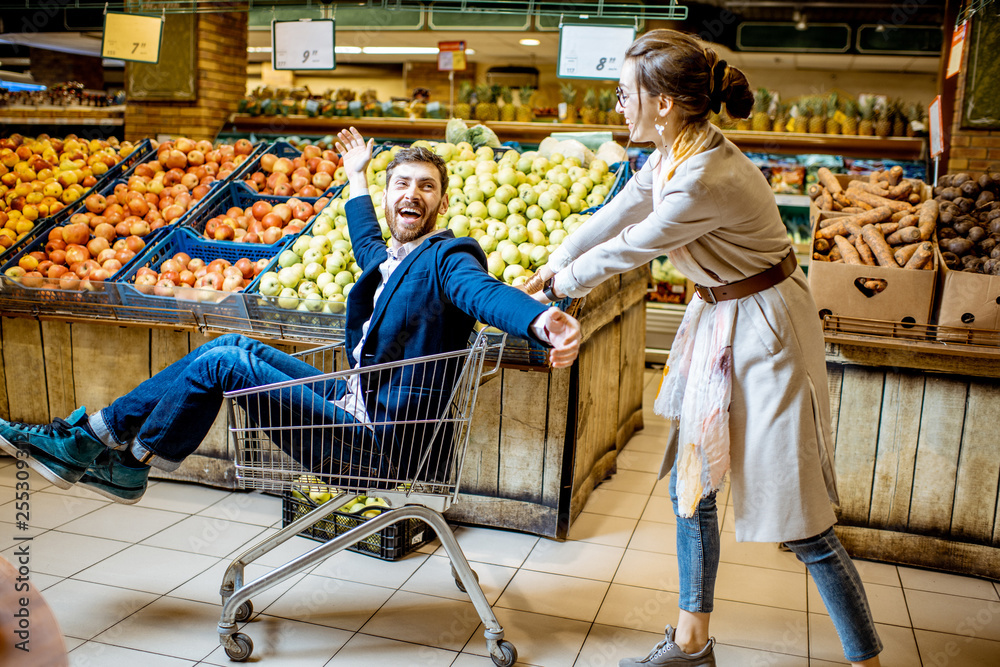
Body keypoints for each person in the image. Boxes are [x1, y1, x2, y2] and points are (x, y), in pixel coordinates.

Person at [527, 30, 883, 667]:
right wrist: (554, 260)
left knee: (801, 520)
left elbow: (633, 244)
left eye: (624, 94)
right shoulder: (673, 151)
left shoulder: (703, 177)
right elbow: (617, 212)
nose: (617, 105)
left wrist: (560, 281)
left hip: (768, 332)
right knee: (691, 487)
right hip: (717, 317)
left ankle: (866, 659)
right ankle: (693, 644)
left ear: (662, 102)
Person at [0, 127, 581, 505]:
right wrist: (357, 175)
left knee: (226, 363)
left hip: (379, 440)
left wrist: (540, 321)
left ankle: (128, 455)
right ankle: (102, 439)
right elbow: (367, 250)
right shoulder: (398, 260)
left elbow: (484, 293)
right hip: (354, 406)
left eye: (426, 187)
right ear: (387, 199)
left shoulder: (448, 258)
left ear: (442, 203)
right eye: (401, 184)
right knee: (229, 346)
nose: (413, 193)